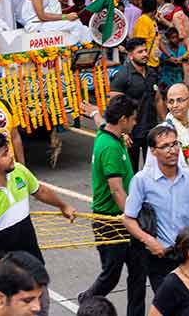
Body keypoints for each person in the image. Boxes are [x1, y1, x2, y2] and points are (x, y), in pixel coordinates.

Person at [123, 124, 189, 289]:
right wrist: (149, 241)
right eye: (164, 146)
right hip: (160, 256)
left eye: (175, 144)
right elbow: (128, 219)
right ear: (153, 151)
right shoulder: (142, 180)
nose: (172, 150)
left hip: (188, 254)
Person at [78, 96, 147, 316]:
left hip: (123, 217)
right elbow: (116, 189)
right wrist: (133, 219)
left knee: (138, 272)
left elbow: (101, 122)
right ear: (123, 119)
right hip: (111, 221)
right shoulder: (109, 147)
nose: (135, 123)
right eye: (133, 119)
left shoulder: (109, 134)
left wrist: (93, 112)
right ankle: (87, 301)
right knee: (111, 273)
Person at [0, 131, 76, 261]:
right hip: (5, 270)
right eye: (5, 154)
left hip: (33, 260)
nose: (11, 155)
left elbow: (40, 191)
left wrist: (63, 206)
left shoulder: (19, 171)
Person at [109, 37, 160, 170]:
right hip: (132, 133)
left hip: (151, 131)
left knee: (153, 170)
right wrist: (122, 133)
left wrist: (166, 123)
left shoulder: (152, 74)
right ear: (130, 55)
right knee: (132, 171)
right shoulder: (122, 76)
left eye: (145, 51)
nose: (145, 54)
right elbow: (115, 105)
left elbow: (158, 100)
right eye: (140, 52)